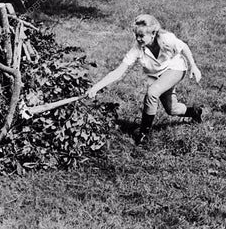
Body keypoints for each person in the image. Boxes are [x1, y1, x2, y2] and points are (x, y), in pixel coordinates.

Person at [85, 14, 203, 146]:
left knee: (152, 92)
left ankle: (143, 133)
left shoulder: (167, 38)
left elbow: (184, 47)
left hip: (176, 69)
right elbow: (118, 72)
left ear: (153, 33)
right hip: (158, 75)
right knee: (172, 109)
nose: (138, 39)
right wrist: (96, 87)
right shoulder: (137, 48)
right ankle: (195, 112)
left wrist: (193, 66)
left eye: (141, 36)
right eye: (136, 35)